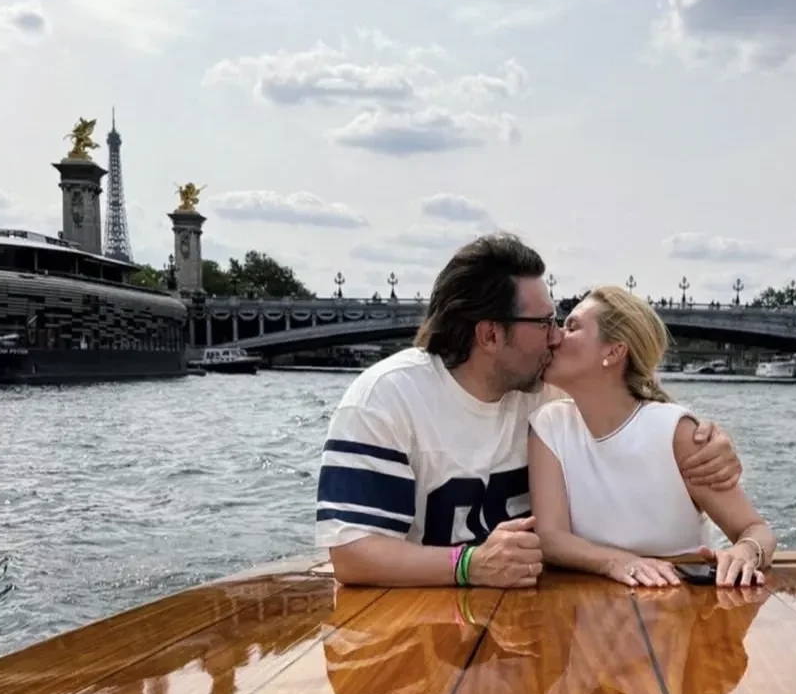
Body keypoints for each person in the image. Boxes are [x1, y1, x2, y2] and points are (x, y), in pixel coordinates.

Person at [316, 234, 743, 588]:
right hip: (418, 620)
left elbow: (632, 412)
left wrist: (707, 441)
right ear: (490, 336)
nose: (555, 338)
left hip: (533, 622)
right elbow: (352, 555)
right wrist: (469, 565)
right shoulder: (387, 398)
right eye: (544, 323)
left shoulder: (547, 394)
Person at [527, 285, 777, 587]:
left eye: (572, 327)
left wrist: (744, 553)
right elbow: (551, 539)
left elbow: (754, 529)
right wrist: (617, 562)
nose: (554, 337)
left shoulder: (676, 434)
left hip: (680, 602)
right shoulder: (549, 425)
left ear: (614, 352)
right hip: (589, 608)